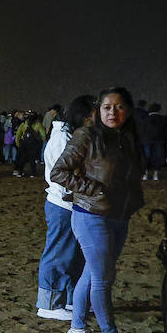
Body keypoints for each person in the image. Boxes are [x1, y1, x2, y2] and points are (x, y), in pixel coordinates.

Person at [50, 87, 148, 333]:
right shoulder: (87, 136)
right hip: (91, 214)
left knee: (92, 275)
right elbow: (59, 172)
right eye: (107, 107)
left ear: (127, 110)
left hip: (119, 215)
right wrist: (92, 189)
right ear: (98, 110)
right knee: (104, 279)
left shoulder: (127, 138)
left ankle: (77, 329)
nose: (112, 112)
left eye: (118, 107)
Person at [36, 95, 96, 321]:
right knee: (58, 254)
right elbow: (61, 175)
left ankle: (71, 300)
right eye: (92, 115)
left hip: (72, 203)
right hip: (62, 204)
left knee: (74, 255)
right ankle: (49, 304)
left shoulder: (70, 135)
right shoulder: (62, 138)